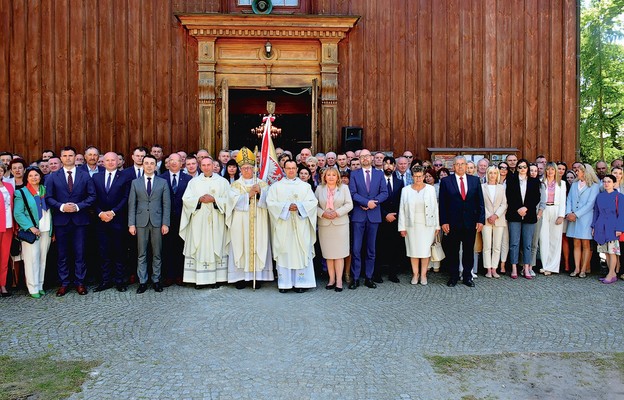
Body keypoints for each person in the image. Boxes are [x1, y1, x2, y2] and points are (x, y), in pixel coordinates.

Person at [45, 146, 96, 296]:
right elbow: (48, 198)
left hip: (80, 220)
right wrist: (61, 207)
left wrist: (77, 206)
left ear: (76, 157)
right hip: (61, 221)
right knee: (62, 254)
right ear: (61, 158)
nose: (68, 158)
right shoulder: (53, 177)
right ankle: (64, 283)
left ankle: (80, 282)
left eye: (71, 155)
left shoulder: (85, 175)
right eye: (65, 155)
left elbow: (92, 196)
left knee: (80, 253)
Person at [267, 159, 318, 293]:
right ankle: (285, 284)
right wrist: (286, 207)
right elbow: (270, 203)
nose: (291, 170)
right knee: (285, 252)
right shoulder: (276, 187)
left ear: (296, 169)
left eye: (293, 168)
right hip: (283, 226)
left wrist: (300, 207)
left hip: (301, 226)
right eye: (288, 168)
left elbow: (313, 202)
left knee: (300, 252)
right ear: (283, 169)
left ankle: (301, 283)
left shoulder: (305, 187)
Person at [226, 148, 274, 289]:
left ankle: (256, 277)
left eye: (249, 167)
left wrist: (260, 193)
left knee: (258, 245)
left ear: (254, 169)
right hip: (240, 223)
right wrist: (249, 195)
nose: (246, 170)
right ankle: (240, 277)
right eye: (244, 168)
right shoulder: (234, 185)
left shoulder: (262, 184)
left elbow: (269, 202)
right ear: (240, 169)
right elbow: (231, 202)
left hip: (259, 221)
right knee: (239, 245)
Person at [180, 157, 230, 288]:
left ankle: (216, 279)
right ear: (200, 166)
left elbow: (229, 200)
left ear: (214, 166)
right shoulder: (194, 182)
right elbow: (186, 199)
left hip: (216, 220)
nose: (206, 167)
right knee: (199, 246)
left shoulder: (223, 182)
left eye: (209, 165)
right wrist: (199, 199)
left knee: (215, 245)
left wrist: (215, 200)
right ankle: (199, 280)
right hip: (199, 221)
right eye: (204, 165)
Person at [438, 156, 485, 287]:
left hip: (470, 222)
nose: (460, 166)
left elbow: (480, 202)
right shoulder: (446, 181)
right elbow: (443, 204)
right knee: (453, 250)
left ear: (466, 166)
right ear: (453, 166)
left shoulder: (475, 181)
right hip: (452, 223)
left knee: (468, 250)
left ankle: (467, 277)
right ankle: (453, 276)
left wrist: (481, 220)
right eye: (457, 164)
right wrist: (444, 221)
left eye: (462, 164)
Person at [128, 155, 171, 293]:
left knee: (157, 253)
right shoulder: (135, 182)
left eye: (152, 163)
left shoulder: (162, 182)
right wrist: (131, 224)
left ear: (155, 166)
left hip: (157, 222)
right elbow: (132, 204)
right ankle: (143, 281)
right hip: (140, 222)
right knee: (142, 253)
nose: (149, 166)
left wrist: (166, 223)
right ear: (142, 165)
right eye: (146, 163)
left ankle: (156, 280)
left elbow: (166, 204)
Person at [348, 149, 388, 289]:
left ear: (371, 158)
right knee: (356, 248)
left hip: (374, 216)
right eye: (362, 156)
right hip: (358, 215)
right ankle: (356, 278)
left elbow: (384, 192)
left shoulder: (379, 174)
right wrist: (365, 202)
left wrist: (373, 203)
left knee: (371, 249)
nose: (365, 158)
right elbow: (352, 193)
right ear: (359, 159)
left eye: (367, 156)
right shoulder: (354, 174)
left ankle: (369, 277)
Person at [92, 152, 132, 292]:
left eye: (113, 160)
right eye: (107, 160)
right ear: (102, 162)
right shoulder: (96, 177)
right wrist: (100, 213)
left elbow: (126, 198)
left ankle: (120, 281)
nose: (110, 162)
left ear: (118, 161)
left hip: (118, 220)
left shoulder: (126, 177)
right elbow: (93, 198)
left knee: (119, 252)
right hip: (101, 220)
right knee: (103, 252)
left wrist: (113, 212)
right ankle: (105, 281)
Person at [14, 167, 51, 298]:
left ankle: (40, 285)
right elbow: (18, 213)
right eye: (31, 176)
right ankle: (32, 287)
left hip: (46, 229)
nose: (34, 177)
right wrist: (31, 227)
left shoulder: (45, 191)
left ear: (40, 177)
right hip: (32, 231)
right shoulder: (22, 192)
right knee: (31, 260)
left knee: (42, 259)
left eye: (36, 175)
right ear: (27, 178)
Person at [398, 165, 439, 285]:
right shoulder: (405, 190)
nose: (418, 179)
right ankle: (415, 274)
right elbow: (402, 209)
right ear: (412, 177)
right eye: (416, 177)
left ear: (424, 176)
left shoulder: (430, 189)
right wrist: (402, 227)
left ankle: (424, 275)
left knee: (425, 251)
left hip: (428, 225)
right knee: (413, 250)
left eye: (420, 176)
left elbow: (435, 208)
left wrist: (437, 225)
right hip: (411, 225)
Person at [315, 167, 353, 292]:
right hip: (325, 225)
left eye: (333, 175)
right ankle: (331, 279)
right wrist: (322, 213)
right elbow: (314, 205)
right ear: (324, 177)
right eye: (328, 175)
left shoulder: (344, 188)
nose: (331, 177)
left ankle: (339, 281)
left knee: (339, 254)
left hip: (340, 225)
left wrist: (337, 213)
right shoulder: (319, 189)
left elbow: (349, 204)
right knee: (329, 255)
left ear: (337, 177)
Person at [505, 158, 541, 279]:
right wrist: (518, 209)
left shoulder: (534, 181)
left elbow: (536, 198)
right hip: (514, 214)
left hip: (529, 214)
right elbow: (509, 196)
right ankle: (514, 267)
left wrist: (526, 208)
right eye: (520, 167)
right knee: (514, 243)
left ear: (527, 168)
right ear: (517, 168)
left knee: (527, 244)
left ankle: (526, 268)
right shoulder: (511, 180)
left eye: (524, 167)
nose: (522, 169)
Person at [160, 153, 192, 286]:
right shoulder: (160, 178)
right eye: (171, 160)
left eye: (177, 161)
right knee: (166, 247)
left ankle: (180, 275)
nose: (173, 163)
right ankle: (168, 275)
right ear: (167, 163)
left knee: (181, 247)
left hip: (183, 219)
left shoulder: (189, 179)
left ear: (181, 163)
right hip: (165, 219)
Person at [566, 163, 600, 278]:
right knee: (576, 243)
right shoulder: (575, 184)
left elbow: (590, 204)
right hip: (572, 218)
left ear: (585, 172)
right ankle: (576, 268)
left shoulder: (594, 186)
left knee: (585, 243)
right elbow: (569, 199)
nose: (576, 172)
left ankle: (584, 269)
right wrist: (568, 213)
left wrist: (576, 214)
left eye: (578, 171)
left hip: (585, 218)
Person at [374, 156, 404, 283]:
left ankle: (393, 273)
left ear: (394, 167)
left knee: (394, 247)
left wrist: (394, 215)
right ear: (382, 166)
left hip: (395, 219)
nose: (388, 166)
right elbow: (376, 200)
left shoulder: (399, 182)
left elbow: (401, 201)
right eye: (386, 164)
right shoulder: (377, 181)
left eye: (391, 164)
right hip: (380, 219)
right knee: (379, 246)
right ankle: (377, 274)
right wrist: (385, 214)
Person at [592, 175, 624, 284]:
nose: (606, 183)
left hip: (612, 225)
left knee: (612, 251)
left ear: (614, 183)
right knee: (605, 251)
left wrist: (619, 228)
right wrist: (593, 226)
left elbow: (621, 214)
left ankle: (611, 273)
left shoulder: (619, 196)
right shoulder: (599, 196)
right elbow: (596, 212)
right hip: (601, 225)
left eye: (609, 181)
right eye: (604, 181)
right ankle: (612, 274)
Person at [537, 162, 567, 275]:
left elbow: (563, 201)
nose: (550, 172)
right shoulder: (541, 183)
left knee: (555, 239)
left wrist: (561, 215)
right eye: (548, 169)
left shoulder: (562, 184)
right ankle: (545, 265)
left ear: (555, 171)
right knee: (543, 237)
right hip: (544, 210)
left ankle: (553, 266)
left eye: (552, 170)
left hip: (556, 209)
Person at [481, 166, 507, 278]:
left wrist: (496, 215)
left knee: (497, 245)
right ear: (487, 174)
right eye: (490, 173)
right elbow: (480, 203)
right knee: (487, 245)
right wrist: (488, 216)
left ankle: (494, 268)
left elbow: (504, 204)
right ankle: (488, 268)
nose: (492, 175)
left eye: (494, 173)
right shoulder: (482, 187)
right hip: (486, 220)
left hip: (499, 219)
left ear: (497, 175)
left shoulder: (501, 188)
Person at [0, 164, 14, 297]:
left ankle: (3, 285)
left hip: (9, 226)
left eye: (0, 170)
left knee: (4, 257)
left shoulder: (9, 186)